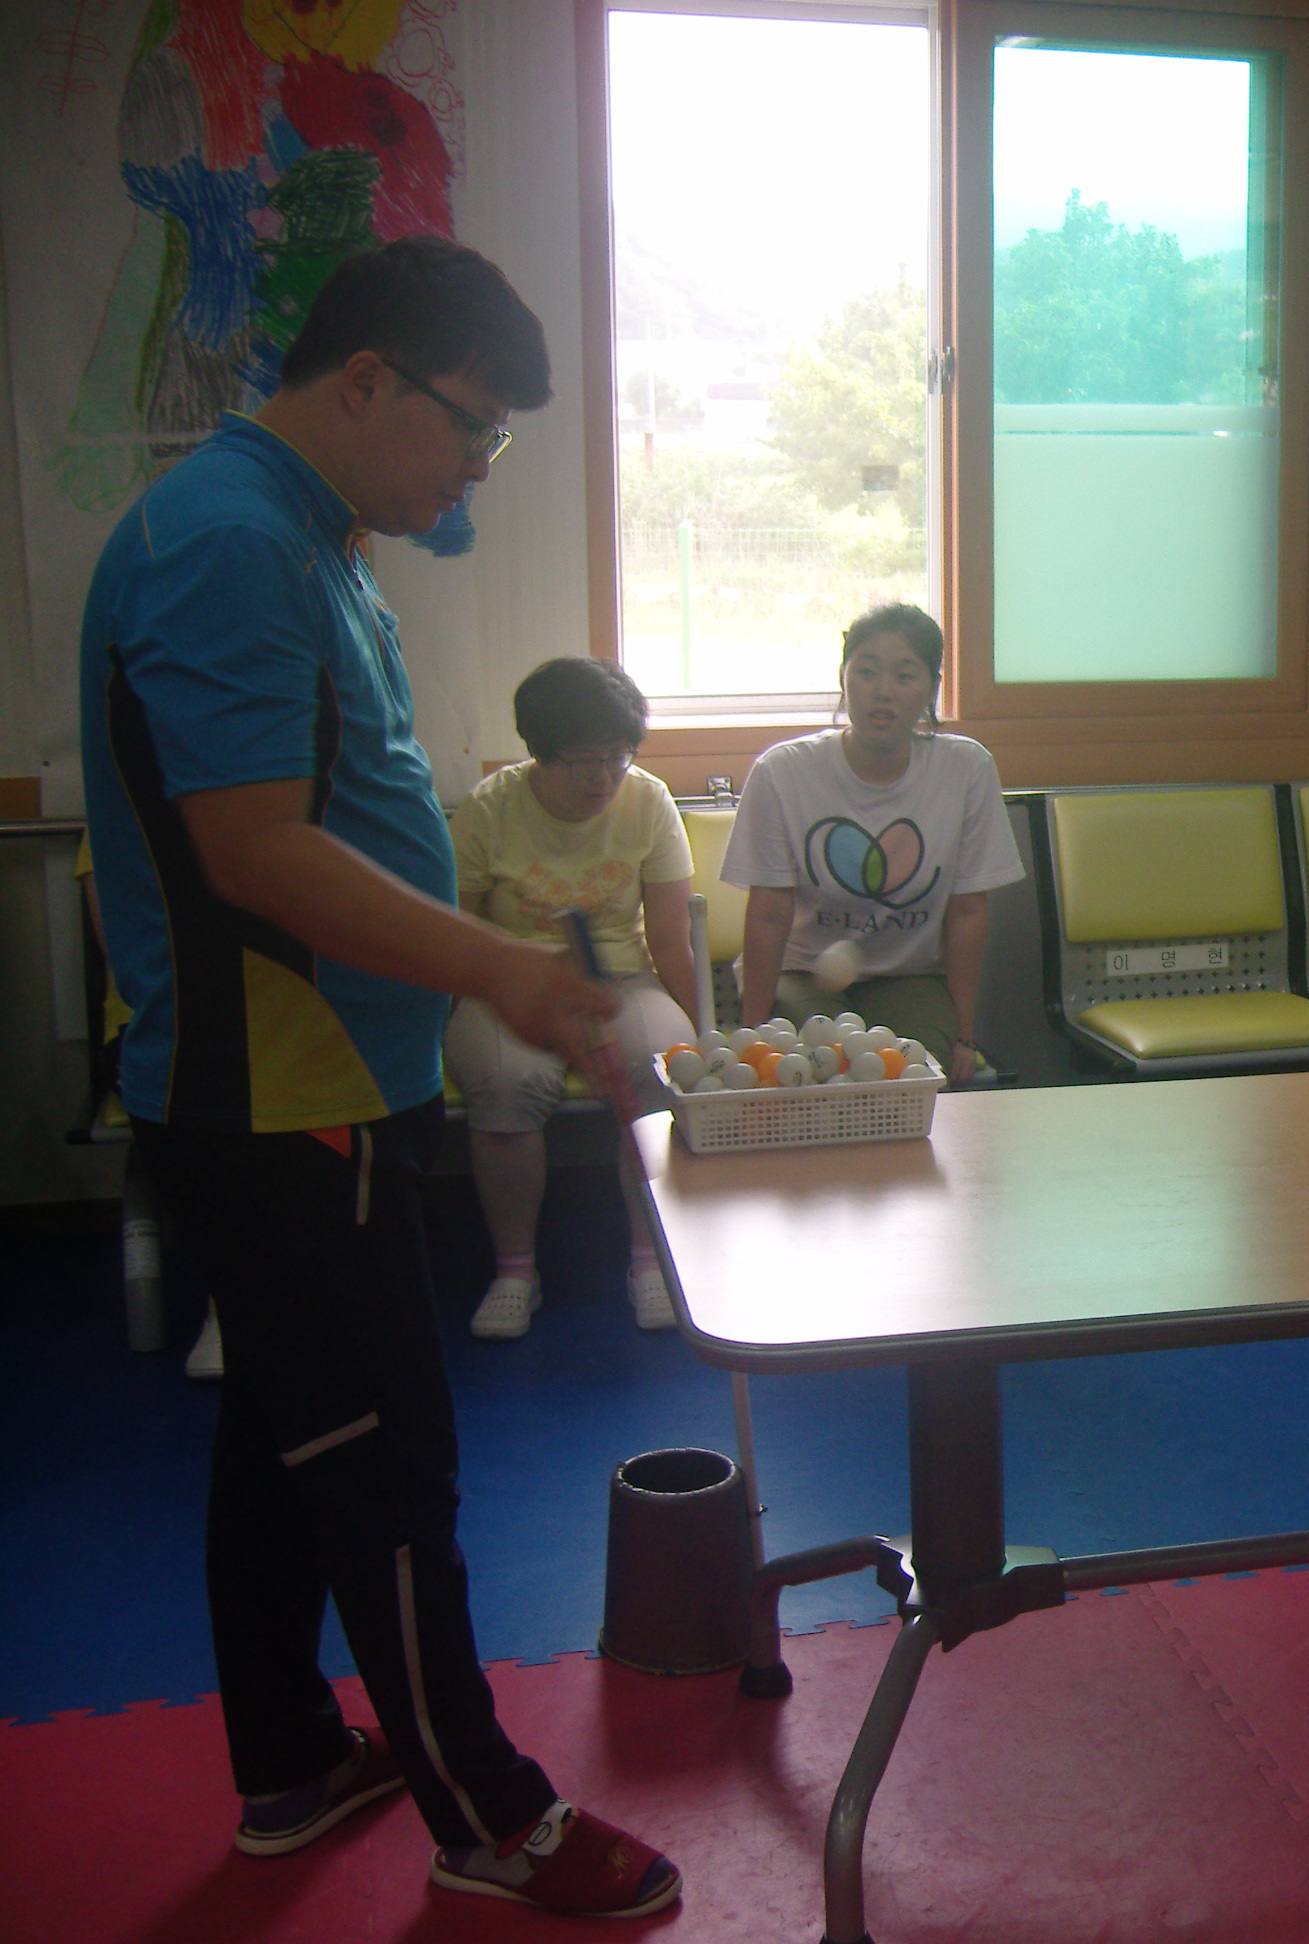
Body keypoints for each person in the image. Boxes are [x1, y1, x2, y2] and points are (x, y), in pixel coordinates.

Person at [77, 237, 679, 1915]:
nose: (478, 467)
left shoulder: (306, 531)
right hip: (285, 1094)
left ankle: (286, 1760)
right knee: (388, 1464)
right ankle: (488, 1815)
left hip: (329, 1076)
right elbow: (258, 852)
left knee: (288, 1435)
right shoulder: (226, 542)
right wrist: (504, 969)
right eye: (472, 427)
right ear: (368, 381)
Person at [447, 656, 696, 1341]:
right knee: (507, 1082)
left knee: (663, 1069)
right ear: (539, 752)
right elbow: (458, 930)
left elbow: (671, 941)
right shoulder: (488, 808)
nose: (602, 779)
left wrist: (706, 1042)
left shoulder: (649, 800)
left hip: (622, 981)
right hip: (510, 982)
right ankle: (515, 1272)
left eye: (617, 757)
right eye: (583, 761)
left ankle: (650, 1260)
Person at [722, 604, 1023, 1081]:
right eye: (866, 671)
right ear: (843, 677)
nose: (883, 691)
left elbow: (968, 911)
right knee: (825, 1064)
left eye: (904, 676)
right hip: (800, 970)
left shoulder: (967, 769)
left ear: (931, 687)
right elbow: (768, 912)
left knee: (910, 1070)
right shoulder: (782, 771)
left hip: (909, 977)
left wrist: (964, 1036)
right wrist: (752, 1041)